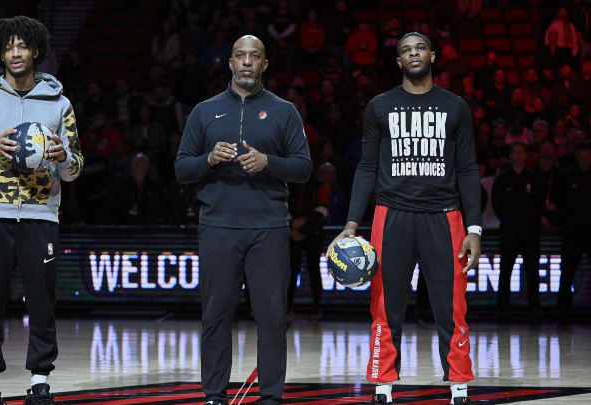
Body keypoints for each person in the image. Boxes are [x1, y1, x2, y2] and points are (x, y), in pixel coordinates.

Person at [327, 32, 481, 405]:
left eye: (419, 48)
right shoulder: (380, 106)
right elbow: (365, 167)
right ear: (399, 62)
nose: (413, 54)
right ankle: (383, 385)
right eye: (405, 50)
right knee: (384, 304)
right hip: (390, 215)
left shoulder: (454, 106)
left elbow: (467, 168)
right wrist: (351, 222)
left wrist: (474, 228)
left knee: (452, 305)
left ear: (432, 55)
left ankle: (459, 386)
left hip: (444, 217)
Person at [0, 16, 83, 405]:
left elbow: (75, 171)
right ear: (0, 52)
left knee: (42, 300)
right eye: (9, 47)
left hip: (41, 215)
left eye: (23, 46)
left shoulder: (61, 104)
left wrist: (63, 157)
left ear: (36, 50)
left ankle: (40, 379)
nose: (16, 53)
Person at [175, 35, 312, 405]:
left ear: (265, 64)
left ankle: (270, 396)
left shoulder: (284, 111)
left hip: (269, 228)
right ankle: (215, 394)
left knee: (270, 318)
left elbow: (303, 168)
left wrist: (269, 163)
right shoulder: (204, 111)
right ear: (230, 63)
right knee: (216, 316)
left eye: (255, 56)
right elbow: (181, 168)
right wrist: (207, 159)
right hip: (218, 227)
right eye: (241, 56)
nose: (247, 62)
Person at [492, 144, 544, 319]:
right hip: (509, 232)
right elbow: (496, 204)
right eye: (515, 152)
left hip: (530, 233)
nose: (518, 155)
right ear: (510, 155)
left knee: (532, 271)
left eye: (521, 152)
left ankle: (534, 307)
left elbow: (539, 204)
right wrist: (507, 221)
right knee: (505, 270)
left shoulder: (535, 178)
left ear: (526, 155)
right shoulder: (502, 179)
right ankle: (502, 306)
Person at [556, 140, 591, 318]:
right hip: (572, 232)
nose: (585, 160)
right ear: (577, 156)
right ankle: (563, 310)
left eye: (588, 157)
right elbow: (558, 203)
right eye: (582, 157)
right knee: (567, 272)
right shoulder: (566, 176)